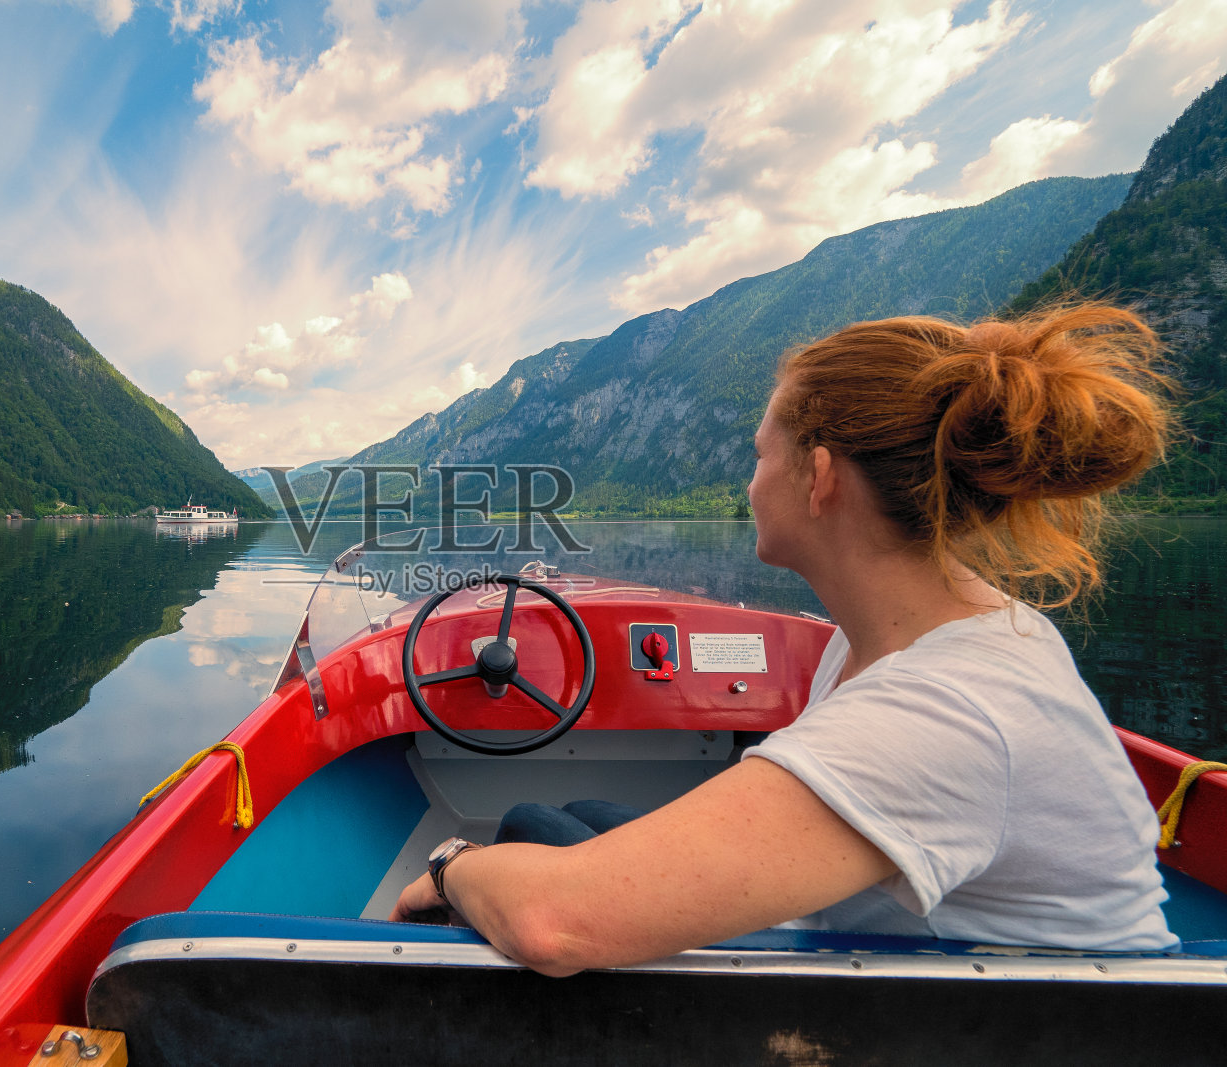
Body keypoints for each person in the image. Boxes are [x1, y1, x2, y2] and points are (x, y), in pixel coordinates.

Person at [390, 302, 1180, 975]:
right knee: (574, 813)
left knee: (528, 835)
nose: (749, 482)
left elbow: (552, 925)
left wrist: (450, 866)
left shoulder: (947, 708)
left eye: (761, 454)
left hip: (1016, 1029)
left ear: (821, 477)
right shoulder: (910, 637)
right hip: (916, 975)